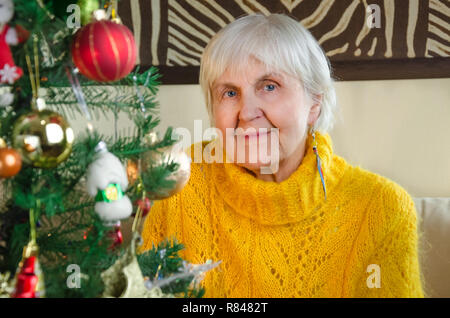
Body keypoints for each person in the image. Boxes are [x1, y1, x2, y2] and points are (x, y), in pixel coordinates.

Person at [140, 13, 424, 298]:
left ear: (315, 103)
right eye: (229, 93)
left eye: (269, 86)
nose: (247, 112)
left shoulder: (382, 208)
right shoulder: (179, 181)